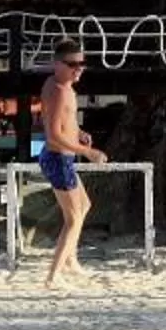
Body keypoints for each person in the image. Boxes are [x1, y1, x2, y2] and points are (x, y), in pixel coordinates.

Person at [37, 39, 105, 289]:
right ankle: (53, 276)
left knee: (84, 205)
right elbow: (54, 136)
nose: (79, 69)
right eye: (73, 64)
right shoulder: (58, 90)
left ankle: (71, 260)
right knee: (73, 218)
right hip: (57, 157)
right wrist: (87, 151)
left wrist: (79, 132)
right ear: (57, 64)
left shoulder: (60, 86)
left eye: (82, 64)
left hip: (61, 156)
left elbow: (65, 123)